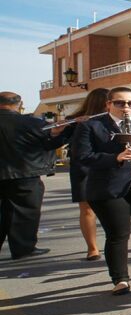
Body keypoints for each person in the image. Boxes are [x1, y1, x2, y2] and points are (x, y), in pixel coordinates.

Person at [73, 87, 131, 295]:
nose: (126, 108)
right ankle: (120, 278)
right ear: (108, 104)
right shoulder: (92, 126)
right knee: (118, 234)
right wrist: (116, 158)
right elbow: (82, 157)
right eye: (120, 103)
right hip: (109, 187)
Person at [1, 92, 71, 260]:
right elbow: (49, 143)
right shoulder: (31, 123)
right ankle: (23, 248)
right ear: (18, 104)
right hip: (25, 173)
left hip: (15, 172)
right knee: (26, 212)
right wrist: (60, 133)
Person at [63, 87, 110, 261]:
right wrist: (71, 124)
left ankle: (107, 244)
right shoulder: (75, 121)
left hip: (107, 166)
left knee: (110, 208)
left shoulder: (112, 119)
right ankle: (93, 248)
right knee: (87, 209)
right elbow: (54, 140)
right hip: (84, 169)